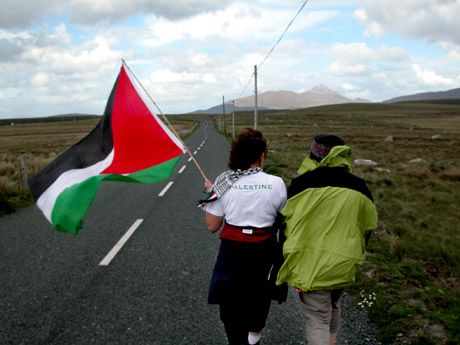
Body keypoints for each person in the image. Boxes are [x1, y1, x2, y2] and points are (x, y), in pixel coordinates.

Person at [276, 134, 378, 345]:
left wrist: (286, 263)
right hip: (344, 262)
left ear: (313, 155)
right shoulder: (361, 187)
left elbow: (286, 226)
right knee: (333, 305)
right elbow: (367, 228)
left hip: (312, 266)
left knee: (317, 319)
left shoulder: (301, 185)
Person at [199, 128, 287, 345]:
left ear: (236, 155)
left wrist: (213, 194)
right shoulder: (277, 183)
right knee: (260, 296)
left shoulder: (224, 182)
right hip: (264, 249)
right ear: (262, 156)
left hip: (233, 251)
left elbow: (212, 225)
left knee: (230, 303)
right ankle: (254, 336)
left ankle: (236, 340)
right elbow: (284, 216)